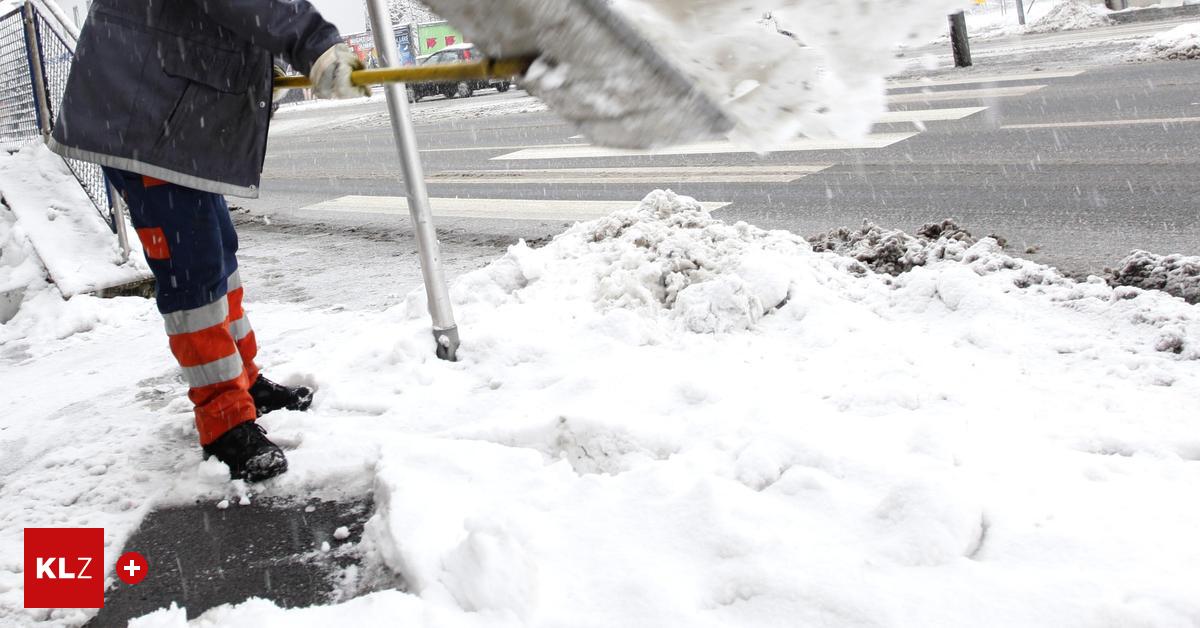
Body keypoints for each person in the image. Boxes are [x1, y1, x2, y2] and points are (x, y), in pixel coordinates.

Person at [48, 0, 370, 482]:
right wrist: (313, 43)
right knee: (193, 273)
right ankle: (223, 420)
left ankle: (241, 383)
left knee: (216, 254)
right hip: (149, 116)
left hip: (167, 114)